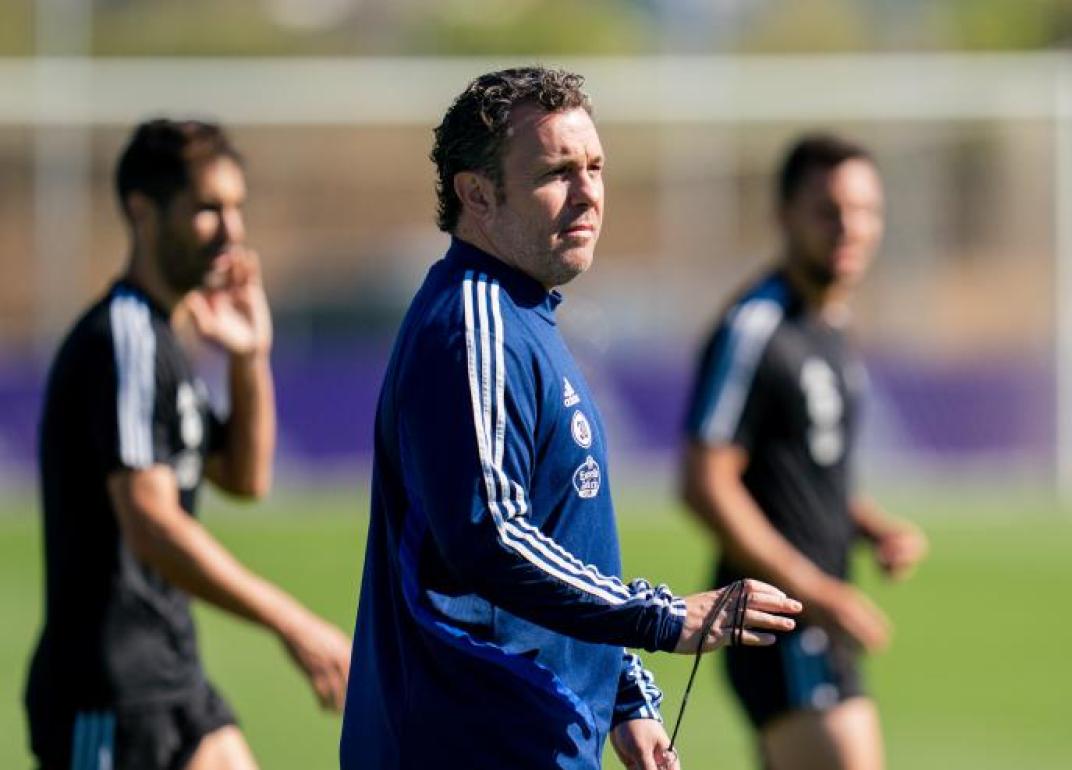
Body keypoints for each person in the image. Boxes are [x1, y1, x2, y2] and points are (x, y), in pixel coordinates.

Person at [339, 66, 802, 770]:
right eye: (557, 172)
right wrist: (665, 618)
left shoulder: (525, 315)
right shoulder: (474, 327)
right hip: (470, 741)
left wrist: (624, 694)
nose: (588, 194)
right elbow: (494, 538)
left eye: (595, 167)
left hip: (532, 733)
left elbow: (562, 536)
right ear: (478, 194)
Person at [24, 119, 353, 770]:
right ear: (143, 212)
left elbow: (244, 476)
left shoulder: (165, 339)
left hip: (172, 676)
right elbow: (150, 522)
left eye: (236, 208)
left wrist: (249, 357)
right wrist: (292, 622)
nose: (232, 231)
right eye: (207, 209)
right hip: (109, 692)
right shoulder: (124, 339)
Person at [681, 135, 929, 770]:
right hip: (779, 617)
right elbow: (705, 483)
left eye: (866, 210)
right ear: (784, 216)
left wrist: (872, 528)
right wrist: (819, 593)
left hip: (816, 615)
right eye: (828, 210)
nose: (851, 227)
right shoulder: (755, 329)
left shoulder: (832, 326)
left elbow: (810, 473)